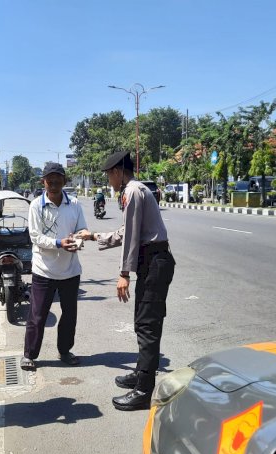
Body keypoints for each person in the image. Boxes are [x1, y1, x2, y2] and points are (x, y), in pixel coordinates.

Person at [76, 151, 175, 411]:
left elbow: (131, 236)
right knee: (143, 322)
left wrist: (123, 274)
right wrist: (94, 237)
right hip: (153, 262)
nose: (108, 180)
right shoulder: (136, 190)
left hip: (154, 262)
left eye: (109, 174)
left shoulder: (132, 192)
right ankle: (141, 372)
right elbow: (126, 232)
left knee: (147, 326)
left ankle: (143, 389)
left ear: (119, 172)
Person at [21, 162, 88, 372]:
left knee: (69, 315)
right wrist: (59, 243)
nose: (54, 183)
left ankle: (65, 351)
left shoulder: (75, 204)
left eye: (58, 179)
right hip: (43, 270)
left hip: (70, 270)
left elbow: (82, 229)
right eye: (50, 179)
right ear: (44, 182)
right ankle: (29, 355)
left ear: (64, 181)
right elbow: (35, 236)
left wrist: (78, 239)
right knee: (37, 315)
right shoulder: (36, 206)